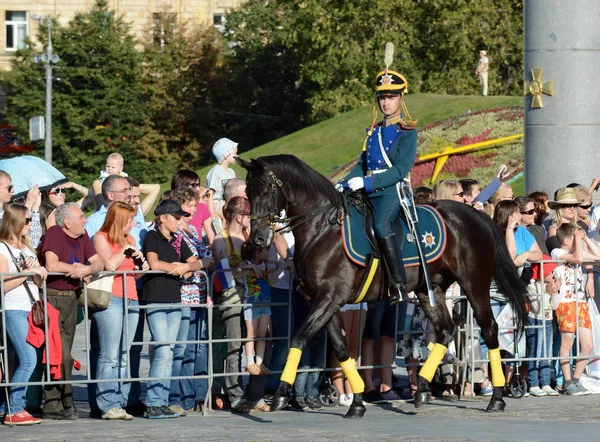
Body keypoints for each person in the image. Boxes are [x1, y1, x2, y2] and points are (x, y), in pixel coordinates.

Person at [339, 53, 418, 304]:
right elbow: (362, 164)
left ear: (400, 98)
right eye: (382, 97)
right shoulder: (373, 132)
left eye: (391, 97)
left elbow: (399, 171)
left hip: (390, 191)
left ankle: (398, 284)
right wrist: (345, 182)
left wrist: (368, 183)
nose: (386, 102)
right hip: (367, 190)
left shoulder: (407, 132)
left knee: (381, 226)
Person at [142, 199, 206, 419]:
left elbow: (199, 262)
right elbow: (154, 263)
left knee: (170, 352)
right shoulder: (152, 236)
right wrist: (177, 269)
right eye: (176, 218)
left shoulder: (179, 240)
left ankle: (163, 400)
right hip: (156, 299)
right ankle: (153, 402)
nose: (180, 222)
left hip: (175, 299)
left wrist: (187, 266)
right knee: (162, 349)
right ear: (163, 218)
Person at [40, 202, 103, 420]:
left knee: (62, 353)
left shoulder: (82, 236)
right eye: (81, 216)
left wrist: (87, 269)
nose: (85, 220)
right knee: (62, 355)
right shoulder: (55, 234)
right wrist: (75, 269)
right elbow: (52, 264)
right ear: (68, 222)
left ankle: (54, 404)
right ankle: (65, 401)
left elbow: (98, 263)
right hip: (52, 298)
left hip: (71, 299)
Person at [92, 202, 148, 421]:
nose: (133, 224)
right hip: (111, 298)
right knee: (110, 354)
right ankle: (108, 403)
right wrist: (124, 250)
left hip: (132, 297)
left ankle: (121, 400)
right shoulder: (101, 237)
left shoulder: (131, 240)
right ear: (119, 220)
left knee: (125, 354)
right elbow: (110, 266)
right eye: (130, 220)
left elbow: (133, 273)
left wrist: (142, 268)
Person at [166, 187, 214, 415]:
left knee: (199, 347)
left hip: (200, 294)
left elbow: (203, 259)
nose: (195, 211)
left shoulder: (193, 231)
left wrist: (201, 262)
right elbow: (191, 260)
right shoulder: (177, 233)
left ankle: (199, 394)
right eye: (190, 206)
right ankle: (182, 396)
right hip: (184, 295)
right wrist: (199, 263)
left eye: (195, 206)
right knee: (184, 348)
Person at [0, 204, 47, 425]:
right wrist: (28, 272)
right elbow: (3, 285)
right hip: (13, 308)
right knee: (28, 360)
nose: (31, 224)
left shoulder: (27, 248)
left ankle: (8, 406)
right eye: (27, 220)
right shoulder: (2, 249)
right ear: (15, 222)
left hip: (30, 308)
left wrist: (37, 273)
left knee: (19, 359)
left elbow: (36, 280)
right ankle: (16, 409)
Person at [209, 196, 252, 411]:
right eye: (247, 214)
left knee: (249, 343)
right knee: (233, 345)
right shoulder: (220, 239)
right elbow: (225, 271)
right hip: (231, 296)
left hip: (251, 295)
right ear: (238, 216)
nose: (250, 218)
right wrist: (249, 268)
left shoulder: (248, 235)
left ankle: (248, 389)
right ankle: (233, 392)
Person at [551, 224, 600, 395]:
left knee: (587, 344)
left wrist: (585, 238)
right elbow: (578, 259)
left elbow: (598, 256)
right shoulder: (557, 252)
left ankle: (577, 379)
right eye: (574, 238)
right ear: (566, 240)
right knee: (567, 342)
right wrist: (578, 239)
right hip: (566, 302)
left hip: (581, 302)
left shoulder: (577, 251)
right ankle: (567, 380)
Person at [0, 171, 43, 249]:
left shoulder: (5, 212)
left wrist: (35, 209)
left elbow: (33, 241)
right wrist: (28, 205)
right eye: (8, 188)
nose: (12, 191)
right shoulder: (7, 214)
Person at [170, 170, 213, 243]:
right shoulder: (170, 209)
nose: (198, 189)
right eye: (193, 185)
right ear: (181, 185)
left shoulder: (202, 207)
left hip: (199, 249)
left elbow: (211, 236)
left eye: (198, 185)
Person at [206, 138, 238, 225]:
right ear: (226, 155)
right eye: (235, 153)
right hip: (216, 204)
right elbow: (209, 193)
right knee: (226, 214)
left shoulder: (232, 172)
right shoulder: (216, 171)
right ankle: (225, 235)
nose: (237, 156)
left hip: (228, 203)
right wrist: (211, 213)